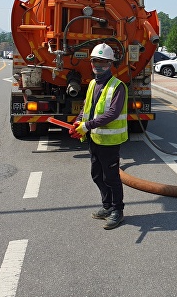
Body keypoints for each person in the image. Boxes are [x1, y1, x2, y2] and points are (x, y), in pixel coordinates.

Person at [69, 43, 128, 230]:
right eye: (95, 61)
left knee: (111, 177)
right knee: (96, 175)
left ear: (110, 64)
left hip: (110, 141)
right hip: (94, 138)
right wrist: (78, 122)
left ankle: (118, 211)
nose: (98, 65)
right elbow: (88, 107)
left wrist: (86, 125)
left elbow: (112, 113)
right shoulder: (93, 83)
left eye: (102, 62)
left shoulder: (118, 86)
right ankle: (107, 206)